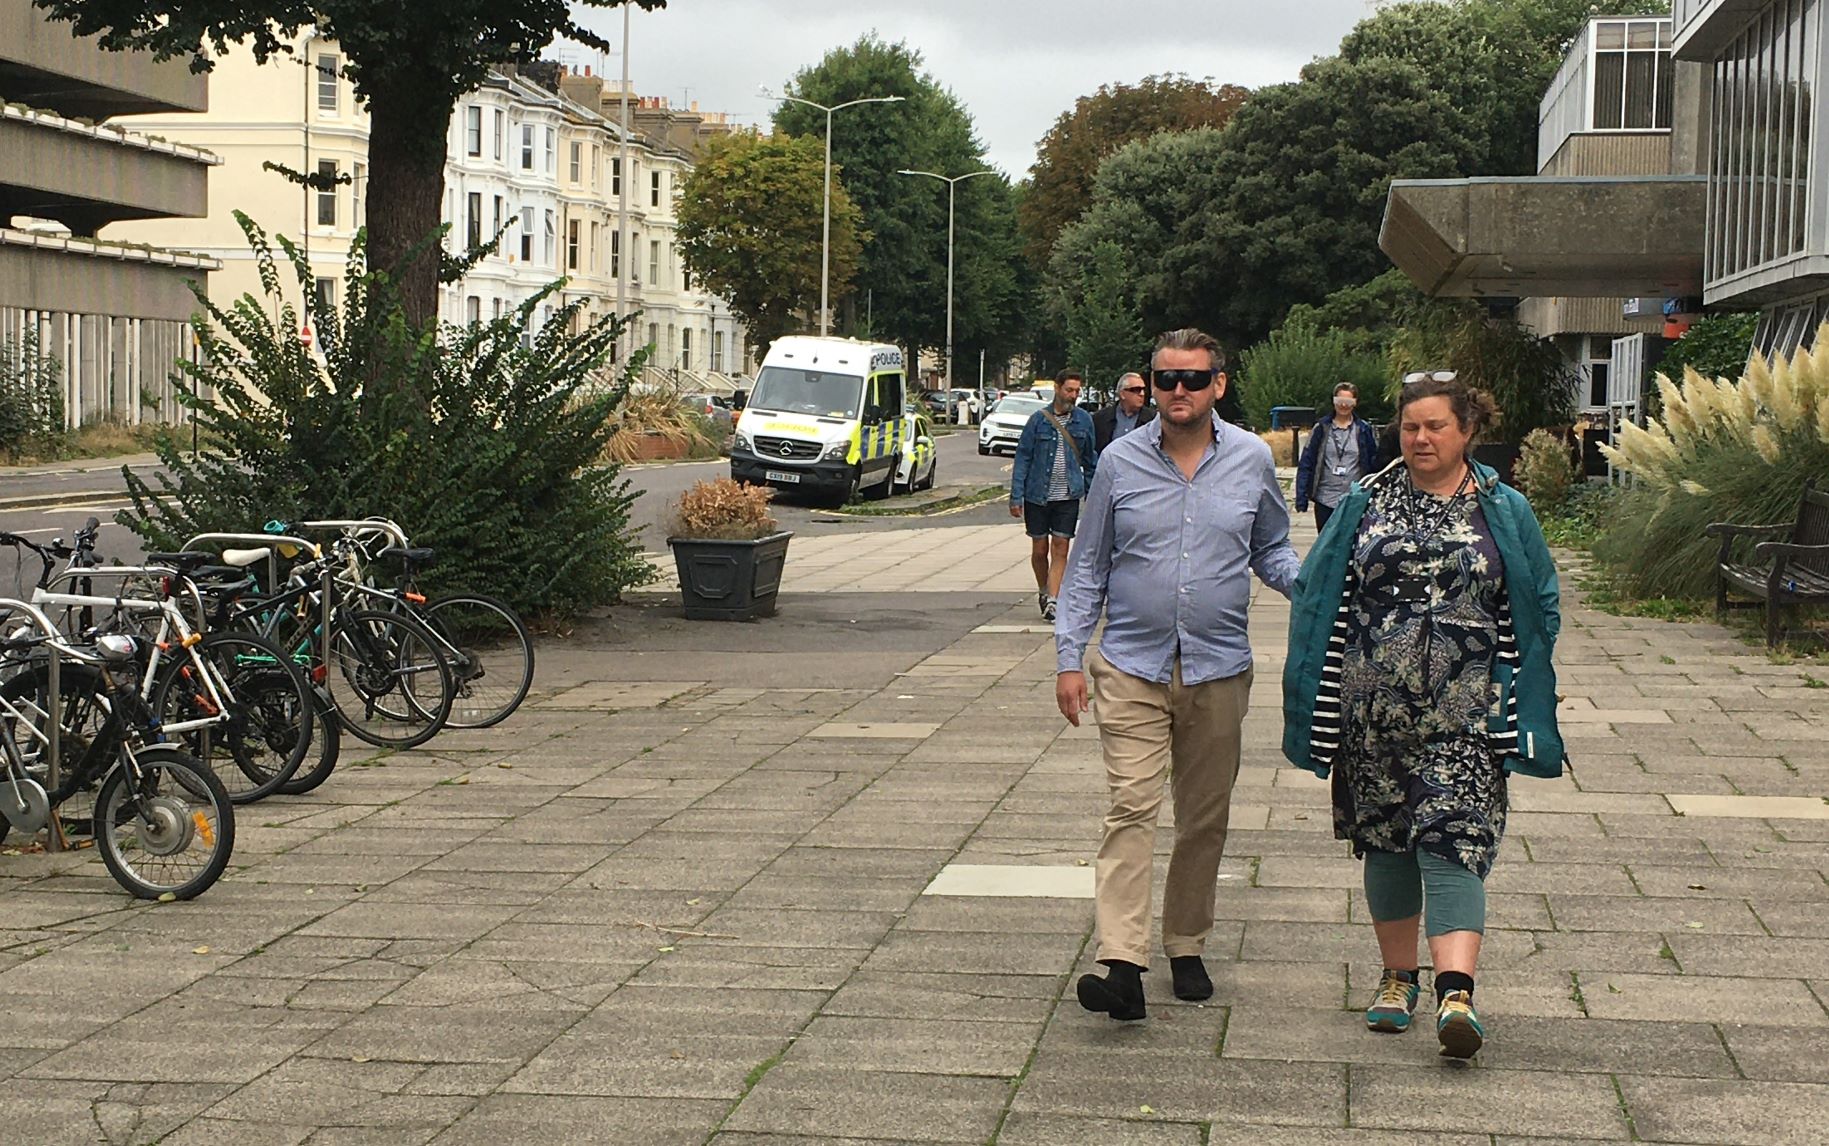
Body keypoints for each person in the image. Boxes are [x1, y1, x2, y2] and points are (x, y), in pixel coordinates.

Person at [1281, 371, 1565, 1059]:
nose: (1420, 438)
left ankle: (1455, 993)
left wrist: (1510, 679)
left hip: (1465, 711)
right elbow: (1317, 593)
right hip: (1370, 710)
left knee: (1453, 837)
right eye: (1410, 427)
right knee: (1383, 841)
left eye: (1435, 426)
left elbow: (1540, 599)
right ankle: (1395, 978)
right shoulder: (1362, 502)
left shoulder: (1504, 509)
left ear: (1467, 430)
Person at [1055, 329, 1300, 1021]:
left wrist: (1314, 588)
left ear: (1218, 383)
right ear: (1151, 386)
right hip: (1130, 664)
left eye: (1193, 379)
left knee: (1202, 818)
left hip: (1218, 668)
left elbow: (1272, 549)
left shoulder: (1250, 459)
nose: (1179, 392)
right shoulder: (1118, 463)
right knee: (1131, 806)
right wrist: (1068, 657)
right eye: (1166, 380)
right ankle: (1122, 963)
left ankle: (1185, 942)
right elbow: (1087, 566)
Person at [1012, 369, 1096, 622]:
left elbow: (1091, 459)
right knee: (1040, 549)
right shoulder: (1038, 421)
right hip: (1037, 494)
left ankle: (1053, 599)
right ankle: (1043, 589)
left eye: (1077, 392)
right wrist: (1016, 495)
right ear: (1057, 388)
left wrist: (1093, 494)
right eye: (1069, 390)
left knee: (1061, 548)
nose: (1073, 396)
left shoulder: (1084, 421)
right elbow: (1023, 458)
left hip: (1068, 495)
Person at [1295, 382, 1381, 529]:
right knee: (1325, 544)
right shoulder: (1321, 428)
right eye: (1339, 401)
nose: (1343, 405)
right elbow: (1307, 462)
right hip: (1325, 498)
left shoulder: (1364, 430)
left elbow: (1375, 463)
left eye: (1348, 401)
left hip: (1353, 499)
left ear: (1355, 403)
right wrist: (1301, 496)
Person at [1092, 372, 1156, 452]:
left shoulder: (1153, 419)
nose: (1142, 394)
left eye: (1143, 390)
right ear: (1122, 394)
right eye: (1137, 390)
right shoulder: (1100, 418)